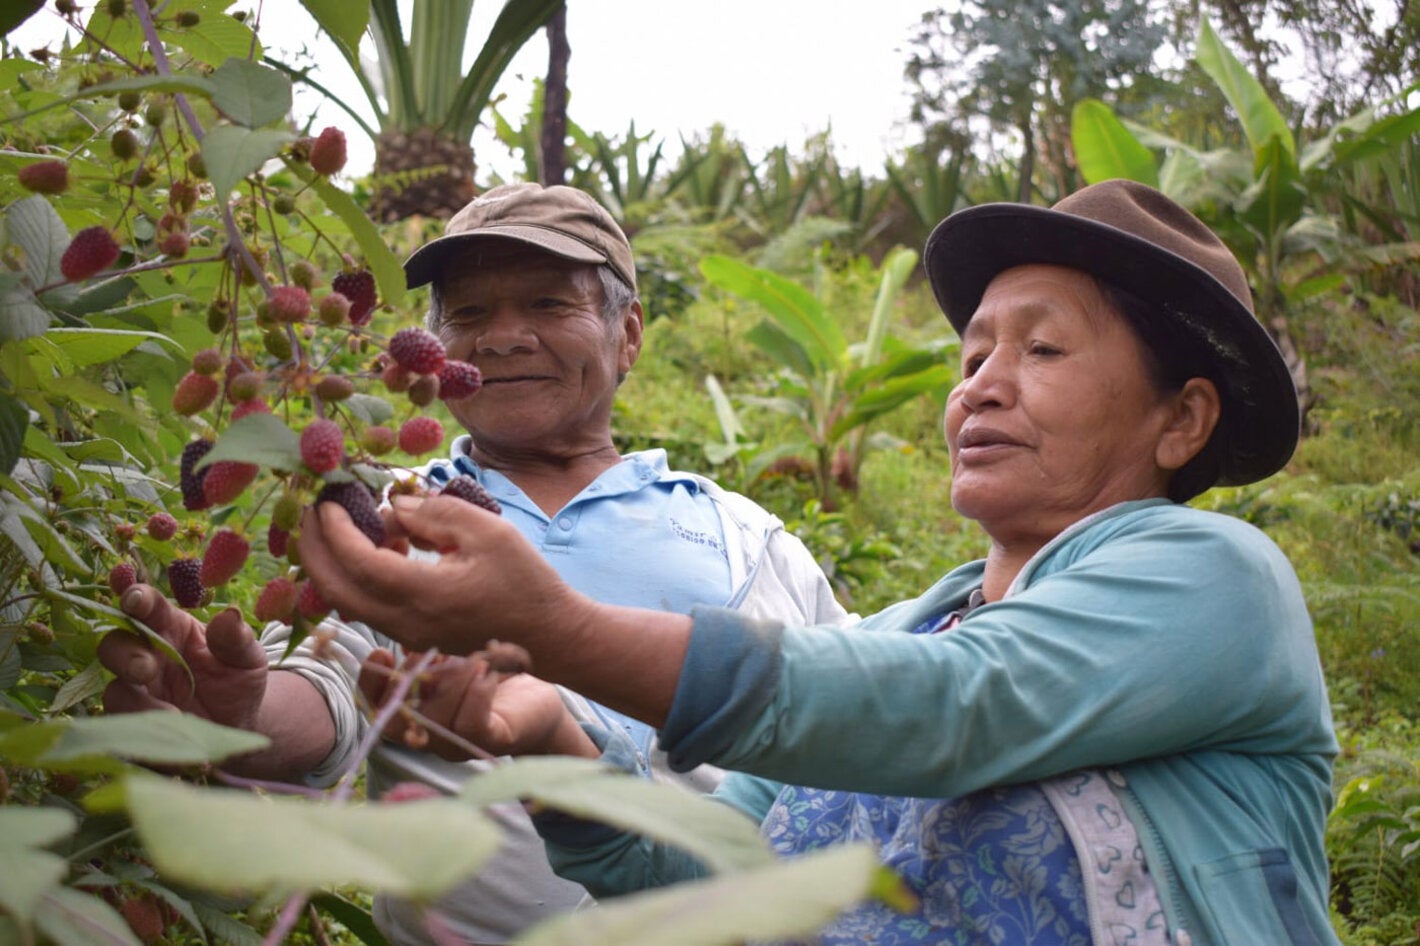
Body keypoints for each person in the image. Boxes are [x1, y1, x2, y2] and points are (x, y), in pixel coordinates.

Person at [297, 179, 1342, 945]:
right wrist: (556, 746)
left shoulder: (1218, 579)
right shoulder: (900, 631)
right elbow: (707, 879)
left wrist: (563, 629)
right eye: (973, 354)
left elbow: (951, 707)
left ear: (1181, 418)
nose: (980, 385)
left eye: (1043, 350)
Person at [97, 182, 849, 946]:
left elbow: (859, 721)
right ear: (430, 353)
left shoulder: (746, 534)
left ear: (627, 335)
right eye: (469, 314)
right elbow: (332, 682)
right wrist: (238, 715)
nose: (501, 338)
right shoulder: (394, 517)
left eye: (550, 305)